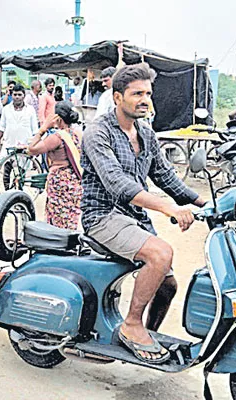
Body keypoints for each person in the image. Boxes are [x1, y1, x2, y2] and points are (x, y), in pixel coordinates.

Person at [81, 63, 205, 364]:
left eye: (148, 93)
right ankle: (131, 326)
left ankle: (145, 338)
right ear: (117, 97)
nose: (144, 99)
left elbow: (165, 176)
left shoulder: (146, 133)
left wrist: (202, 202)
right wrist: (168, 208)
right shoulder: (98, 133)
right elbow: (116, 183)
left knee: (168, 286)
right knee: (161, 254)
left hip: (133, 217)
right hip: (103, 215)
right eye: (137, 93)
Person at [28, 101, 83, 230]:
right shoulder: (76, 134)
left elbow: (32, 149)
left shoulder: (57, 137)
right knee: (69, 219)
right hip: (73, 181)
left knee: (57, 221)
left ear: (57, 118)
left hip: (60, 182)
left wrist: (43, 129)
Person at [0, 85, 38, 157]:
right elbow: (1, 128)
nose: (17, 97)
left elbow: (35, 130)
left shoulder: (30, 110)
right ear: (11, 96)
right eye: (15, 95)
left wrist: (36, 146)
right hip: (9, 145)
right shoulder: (6, 109)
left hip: (25, 146)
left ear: (24, 96)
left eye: (19, 94)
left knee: (24, 167)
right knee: (7, 166)